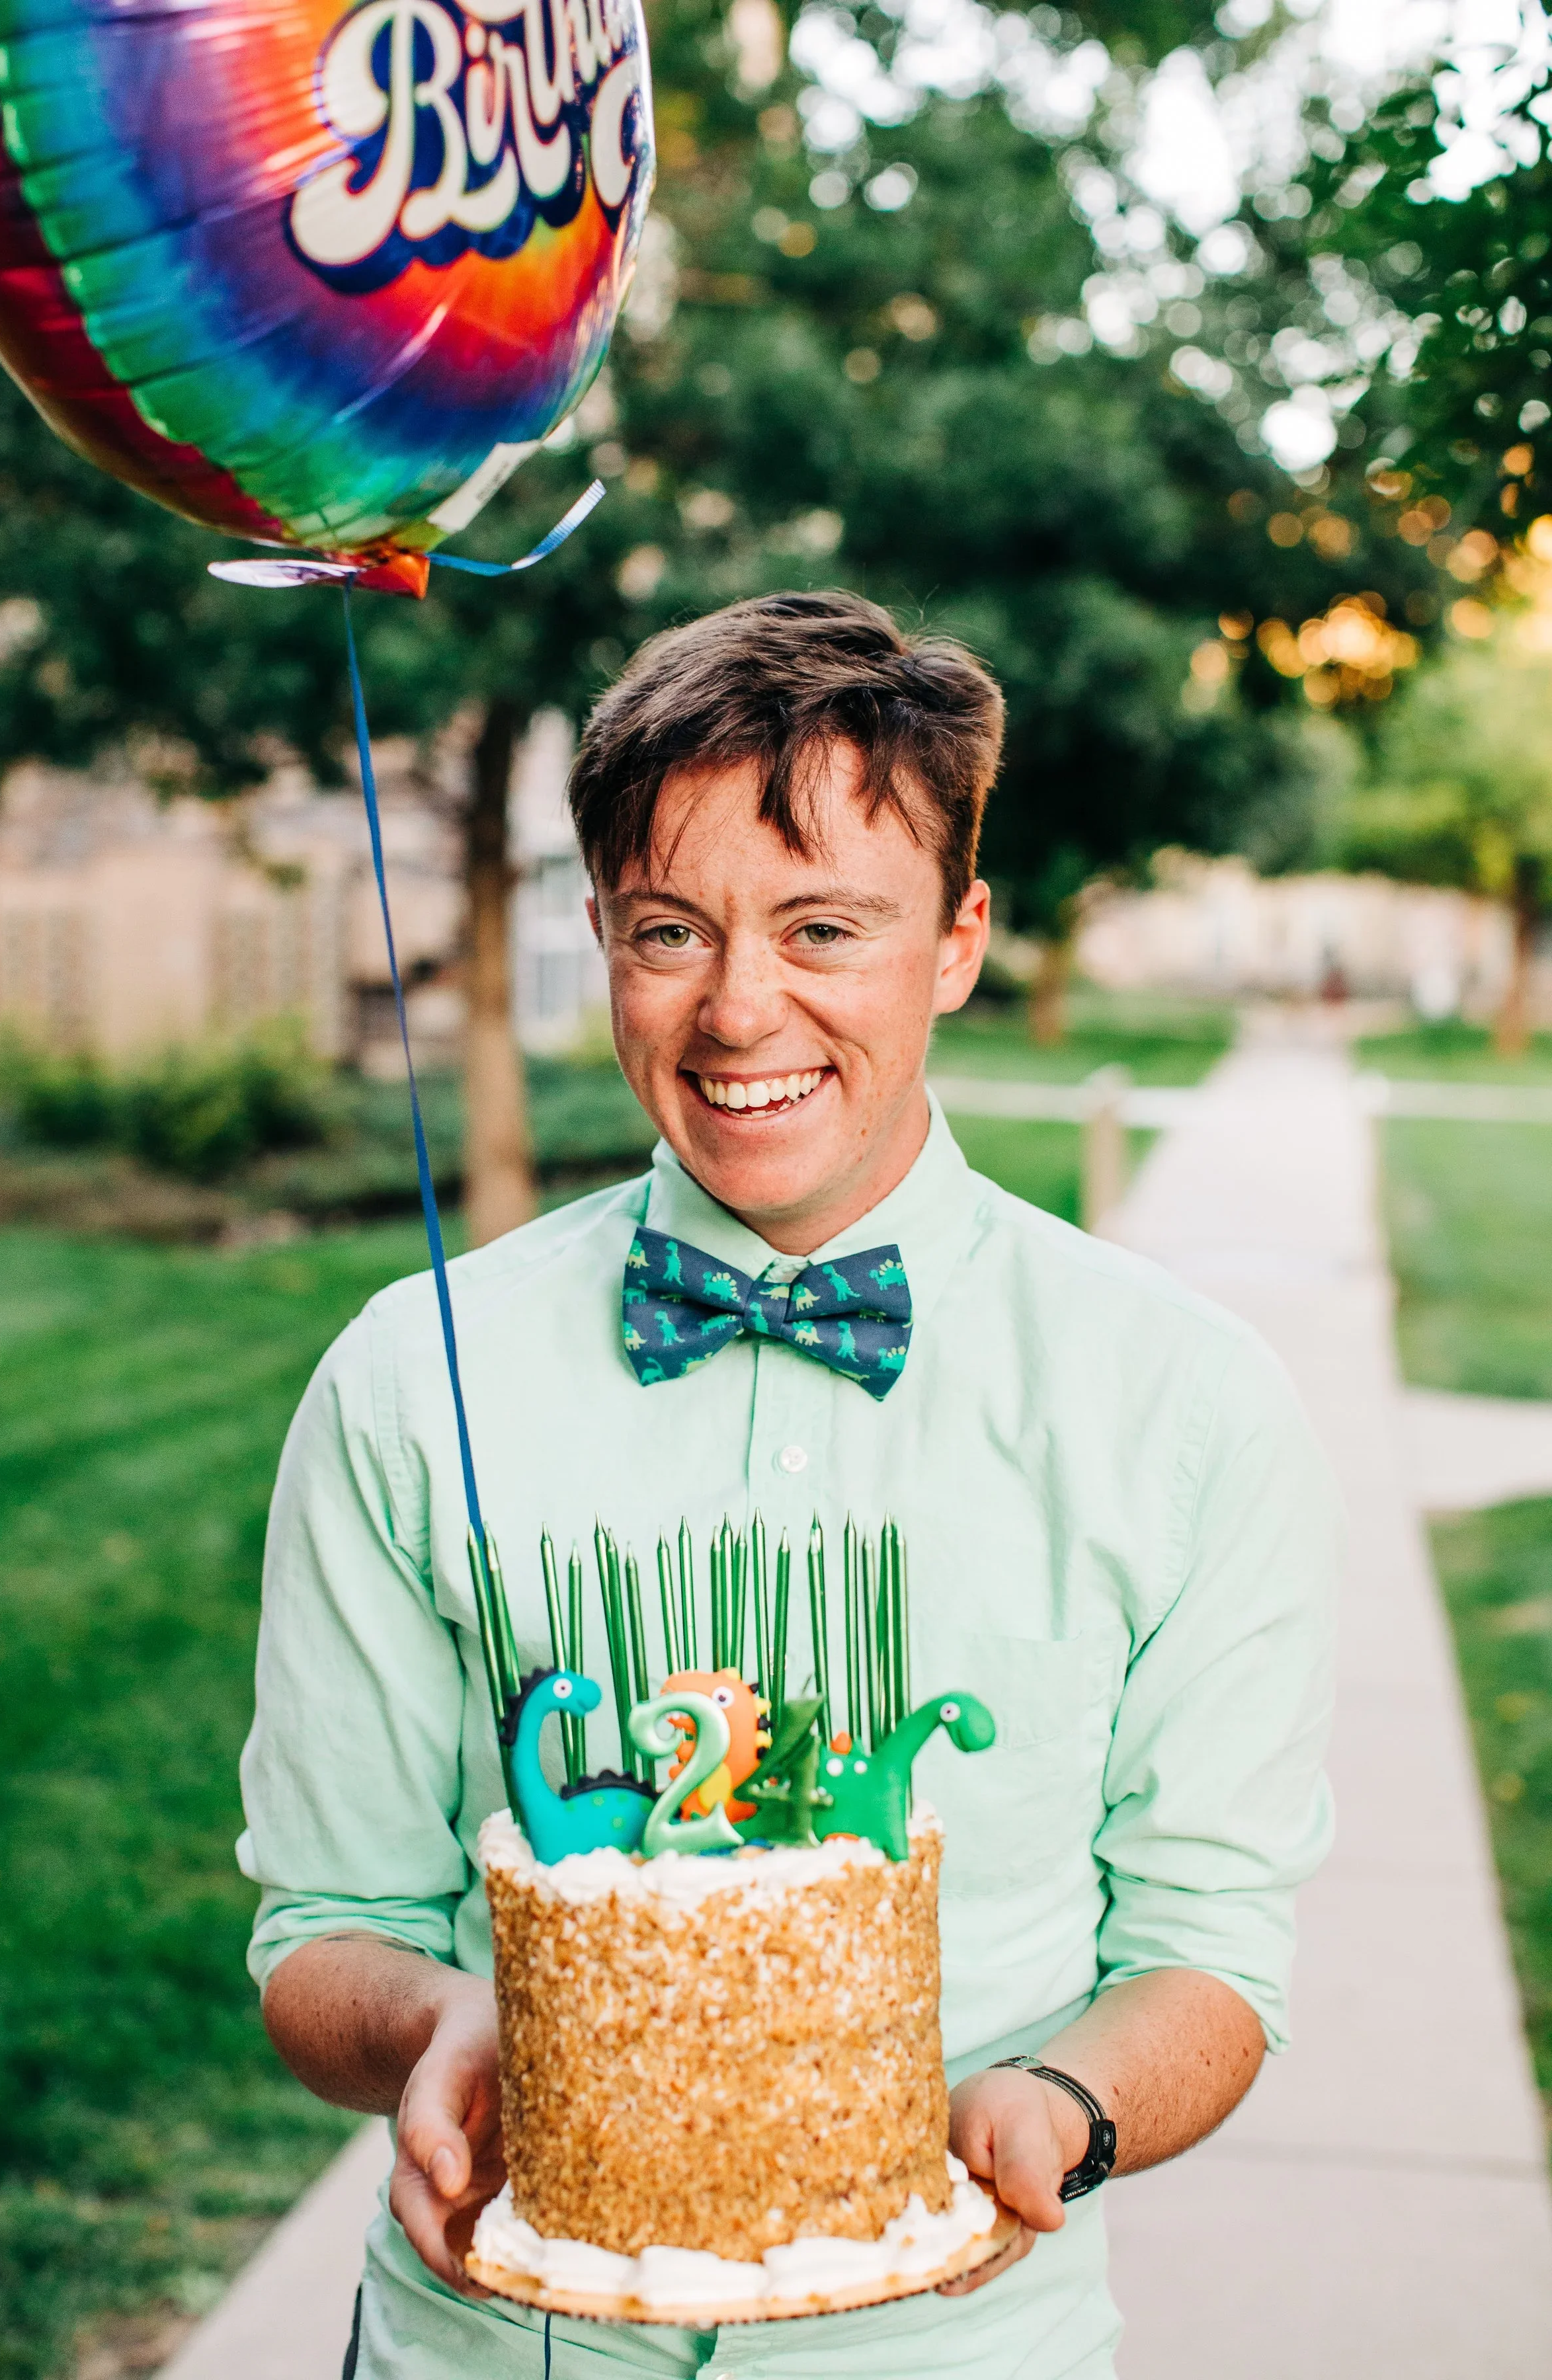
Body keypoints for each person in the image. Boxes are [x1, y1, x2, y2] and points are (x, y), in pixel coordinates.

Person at [239, 590, 1337, 2380]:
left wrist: (1060, 2103)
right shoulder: (406, 1381)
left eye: (826, 926)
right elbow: (324, 1930)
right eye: (672, 932)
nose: (743, 1009)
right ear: (601, 933)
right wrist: (431, 2024)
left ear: (960, 938)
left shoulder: (1187, 1405)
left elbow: (1210, 1955)